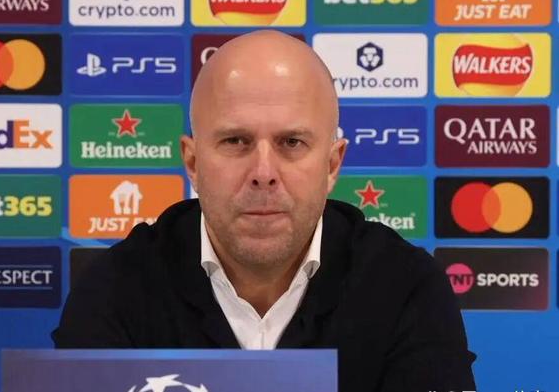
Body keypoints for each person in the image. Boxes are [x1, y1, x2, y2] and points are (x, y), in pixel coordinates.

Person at [52, 30, 476, 392]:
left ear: (332, 165)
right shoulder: (116, 289)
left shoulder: (404, 287)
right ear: (193, 163)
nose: (263, 173)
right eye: (236, 141)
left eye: (292, 143)